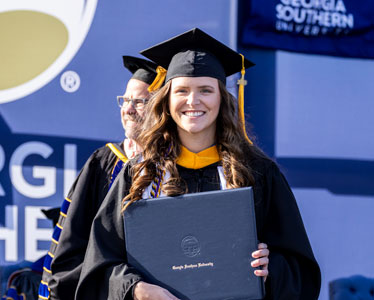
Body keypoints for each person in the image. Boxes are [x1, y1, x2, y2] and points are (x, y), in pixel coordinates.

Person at [75, 28, 321, 300]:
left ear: (221, 98)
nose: (193, 101)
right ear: (167, 101)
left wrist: (270, 267)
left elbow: (301, 271)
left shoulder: (258, 172)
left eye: (205, 90)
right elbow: (99, 267)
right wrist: (136, 289)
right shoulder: (139, 173)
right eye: (182, 91)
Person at [38, 56, 163, 300]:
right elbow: (71, 244)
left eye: (140, 102)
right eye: (125, 100)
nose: (128, 109)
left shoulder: (175, 167)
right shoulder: (103, 162)